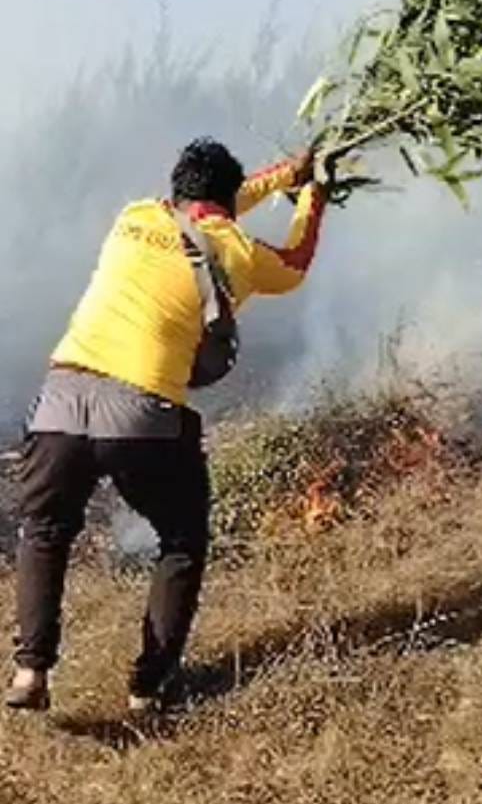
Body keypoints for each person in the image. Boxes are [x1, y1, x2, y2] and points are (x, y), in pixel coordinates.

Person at [6, 138, 327, 713]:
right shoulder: (240, 253)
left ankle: (30, 671)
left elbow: (212, 206)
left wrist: (282, 175)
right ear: (227, 200)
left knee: (44, 531)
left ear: (176, 188)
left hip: (59, 397)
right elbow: (296, 262)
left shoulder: (136, 215)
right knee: (181, 540)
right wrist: (313, 193)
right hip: (141, 411)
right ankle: (150, 686)